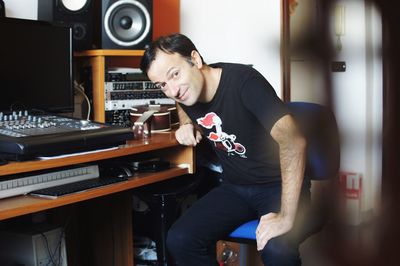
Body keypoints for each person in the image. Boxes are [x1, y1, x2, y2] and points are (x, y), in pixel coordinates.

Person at [140, 33, 309, 266]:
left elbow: (294, 140)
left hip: (278, 186)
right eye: (162, 85)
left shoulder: (244, 82)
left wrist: (287, 217)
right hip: (235, 188)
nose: (172, 91)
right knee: (180, 239)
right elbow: (180, 103)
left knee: (278, 249)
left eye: (174, 75)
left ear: (195, 60)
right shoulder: (186, 92)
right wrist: (187, 124)